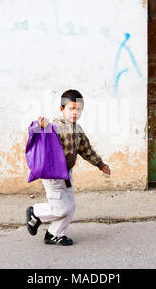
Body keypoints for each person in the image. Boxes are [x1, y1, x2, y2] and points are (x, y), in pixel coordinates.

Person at [26, 89, 111, 246]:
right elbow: (39, 130)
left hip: (66, 174)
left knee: (70, 207)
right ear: (62, 109)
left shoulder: (77, 130)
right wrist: (41, 125)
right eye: (71, 108)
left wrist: (100, 164)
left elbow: (86, 150)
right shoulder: (56, 126)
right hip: (53, 174)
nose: (75, 113)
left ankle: (54, 234)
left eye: (78, 109)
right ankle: (35, 213)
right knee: (61, 208)